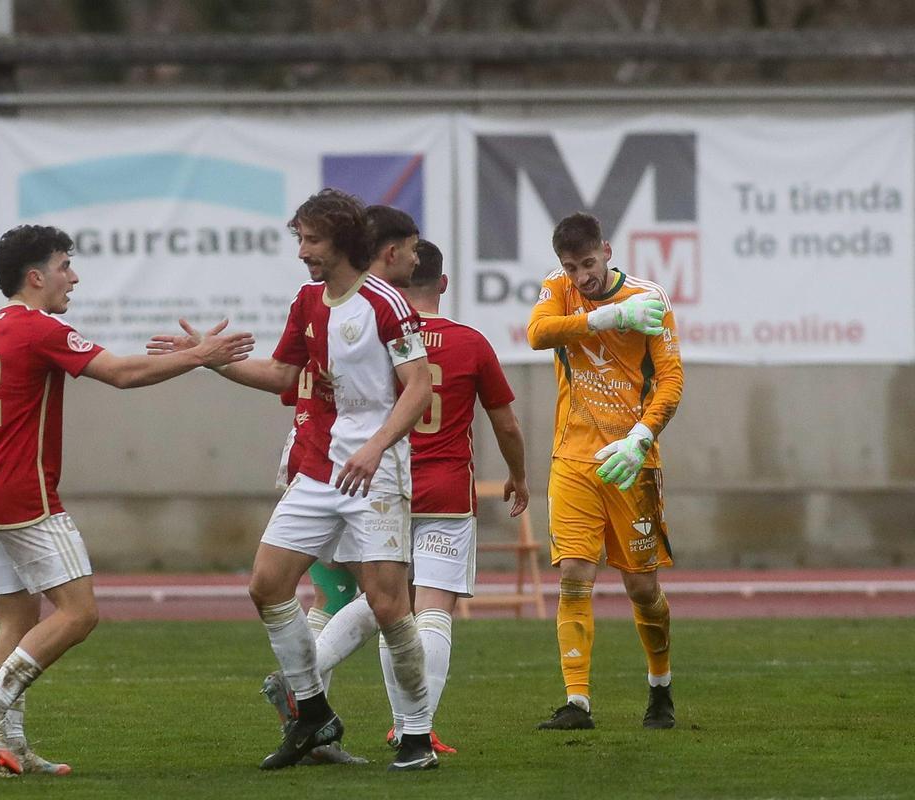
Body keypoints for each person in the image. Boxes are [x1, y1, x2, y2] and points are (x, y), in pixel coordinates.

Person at [153, 189, 437, 771]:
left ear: (342, 240)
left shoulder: (387, 304)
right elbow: (283, 372)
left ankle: (416, 736)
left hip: (377, 473)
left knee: (388, 607)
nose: (303, 252)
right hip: (319, 469)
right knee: (267, 584)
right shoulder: (308, 301)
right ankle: (311, 713)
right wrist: (208, 358)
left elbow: (419, 387)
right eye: (300, 239)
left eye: (312, 240)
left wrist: (376, 447)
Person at [0, 224, 253, 776]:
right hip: (25, 494)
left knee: (17, 619)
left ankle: (9, 749)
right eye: (65, 265)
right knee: (80, 612)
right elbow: (120, 373)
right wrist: (202, 355)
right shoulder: (38, 328)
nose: (74, 276)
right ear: (36, 276)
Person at [280, 237, 530, 754]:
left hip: (369, 485)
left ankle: (305, 680)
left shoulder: (369, 334)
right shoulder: (469, 342)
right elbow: (505, 423)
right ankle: (412, 726)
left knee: (378, 601)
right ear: (442, 283)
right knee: (430, 607)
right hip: (441, 491)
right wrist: (518, 474)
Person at [525, 212, 684, 731]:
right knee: (574, 574)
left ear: (608, 251)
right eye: (571, 267)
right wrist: (605, 319)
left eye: (588, 264)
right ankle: (577, 703)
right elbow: (537, 334)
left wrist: (642, 437)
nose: (581, 277)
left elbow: (671, 380)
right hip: (572, 459)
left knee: (642, 589)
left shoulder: (649, 298)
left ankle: (660, 688)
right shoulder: (561, 290)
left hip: (631, 462)